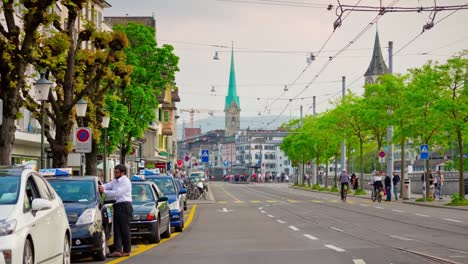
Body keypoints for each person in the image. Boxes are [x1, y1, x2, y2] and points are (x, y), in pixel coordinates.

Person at [98, 164, 132, 258]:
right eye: (114, 172)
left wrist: (103, 191)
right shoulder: (115, 181)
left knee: (124, 229)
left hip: (125, 205)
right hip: (117, 206)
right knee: (117, 229)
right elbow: (107, 185)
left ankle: (126, 250)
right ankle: (117, 250)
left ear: (122, 172)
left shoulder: (125, 181)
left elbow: (117, 193)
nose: (115, 173)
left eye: (116, 172)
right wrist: (100, 186)